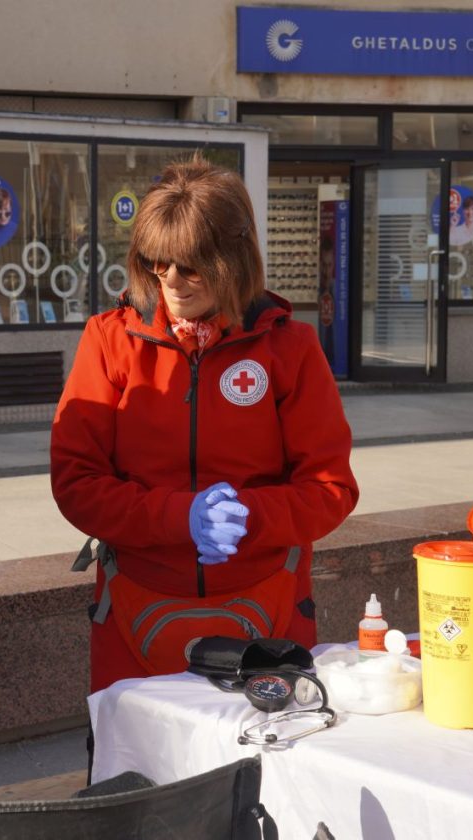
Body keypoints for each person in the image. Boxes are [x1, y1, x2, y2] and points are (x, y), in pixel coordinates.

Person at [50, 158, 359, 692]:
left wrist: (250, 516)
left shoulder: (290, 347)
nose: (170, 281)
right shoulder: (109, 339)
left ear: (233, 259)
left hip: (268, 605)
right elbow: (77, 484)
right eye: (156, 262)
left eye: (190, 267)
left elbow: (331, 489)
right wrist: (180, 517)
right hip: (135, 608)